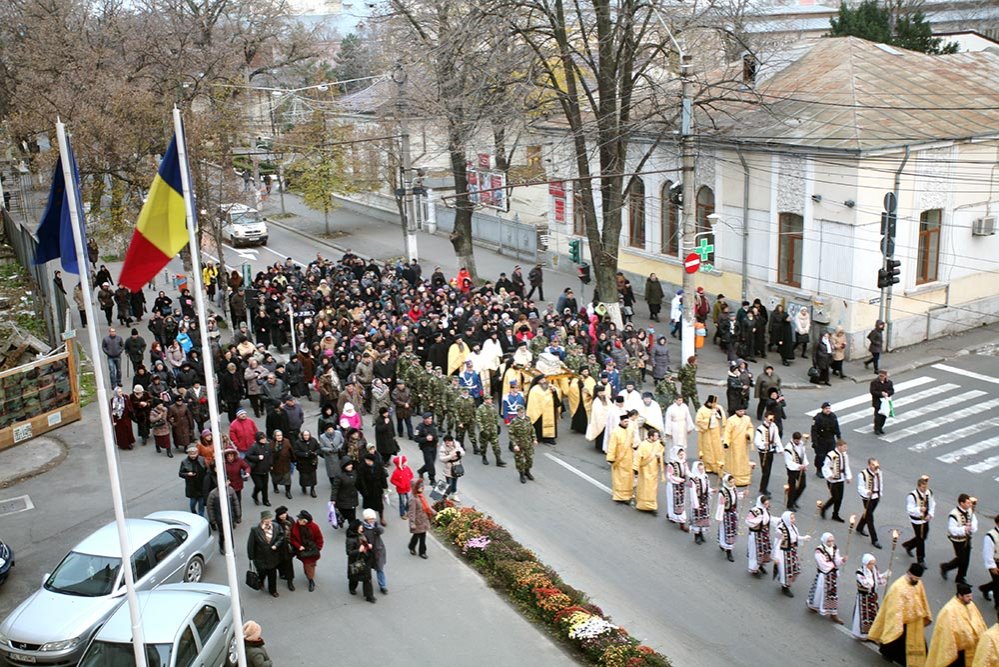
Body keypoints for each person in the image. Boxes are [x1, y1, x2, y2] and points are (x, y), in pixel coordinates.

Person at [868, 564, 933, 665]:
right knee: (894, 638)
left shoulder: (918, 583)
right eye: (914, 578)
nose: (915, 581)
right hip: (900, 620)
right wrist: (898, 622)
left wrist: (924, 612)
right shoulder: (898, 587)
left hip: (914, 620)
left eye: (917, 579)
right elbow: (894, 608)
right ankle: (887, 653)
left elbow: (922, 597)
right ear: (909, 573)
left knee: (916, 644)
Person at [926, 583, 988, 667]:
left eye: (971, 596)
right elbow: (947, 634)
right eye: (968, 596)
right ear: (960, 596)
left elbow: (979, 621)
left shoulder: (970, 604)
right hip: (957, 652)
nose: (971, 599)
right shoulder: (948, 611)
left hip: (970, 649)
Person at [807, 532, 847, 623]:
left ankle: (833, 613)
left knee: (832, 594)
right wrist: (834, 564)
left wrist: (841, 560)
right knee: (819, 592)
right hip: (823, 576)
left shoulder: (834, 548)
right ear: (824, 541)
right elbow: (823, 565)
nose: (831, 543)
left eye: (832, 541)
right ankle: (815, 606)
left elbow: (836, 559)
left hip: (832, 576)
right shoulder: (819, 551)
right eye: (829, 541)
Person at [942, 494, 979, 585]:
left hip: (967, 538)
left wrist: (972, 527)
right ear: (961, 503)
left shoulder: (970, 511)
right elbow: (952, 530)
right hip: (957, 540)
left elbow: (974, 521)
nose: (970, 504)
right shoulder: (953, 514)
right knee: (961, 559)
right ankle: (945, 567)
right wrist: (964, 529)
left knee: (966, 559)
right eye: (968, 503)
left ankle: (960, 577)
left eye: (970, 502)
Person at [852, 553, 890, 640]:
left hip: (872, 597)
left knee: (874, 614)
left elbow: (877, 579)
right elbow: (868, 584)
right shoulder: (860, 572)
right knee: (864, 616)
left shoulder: (874, 569)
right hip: (863, 598)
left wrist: (884, 575)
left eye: (873, 563)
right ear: (866, 563)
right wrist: (873, 578)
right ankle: (862, 635)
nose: (872, 566)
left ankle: (873, 634)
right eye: (870, 564)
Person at [247, 510, 284, 598]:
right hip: (260, 557)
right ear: (262, 520)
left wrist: (276, 545)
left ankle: (273, 590)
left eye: (269, 518)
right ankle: (261, 582)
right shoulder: (255, 530)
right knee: (262, 573)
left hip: (272, 557)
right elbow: (251, 544)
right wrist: (251, 557)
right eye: (266, 519)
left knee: (272, 575)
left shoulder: (276, 526)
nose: (268, 520)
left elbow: (281, 537)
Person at [902, 475, 936, 569]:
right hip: (916, 520)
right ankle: (920, 559)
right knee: (920, 539)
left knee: (924, 536)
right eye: (923, 487)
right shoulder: (912, 496)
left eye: (926, 487)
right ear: (918, 486)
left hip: (925, 519)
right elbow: (910, 509)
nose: (925, 489)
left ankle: (909, 545)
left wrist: (930, 514)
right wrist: (919, 509)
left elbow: (932, 504)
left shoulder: (929, 493)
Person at [773, 510, 808, 598]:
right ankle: (785, 587)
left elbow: (795, 537)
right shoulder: (780, 530)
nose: (793, 520)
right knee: (786, 570)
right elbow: (777, 543)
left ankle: (783, 580)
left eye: (793, 518)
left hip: (791, 551)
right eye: (791, 518)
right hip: (783, 553)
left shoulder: (793, 527)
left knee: (794, 569)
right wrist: (776, 557)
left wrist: (804, 538)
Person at [289, 509, 324, 592]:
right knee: (307, 564)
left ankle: (311, 580)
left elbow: (319, 539)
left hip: (312, 550)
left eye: (300, 519)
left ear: (305, 521)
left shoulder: (314, 527)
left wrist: (317, 548)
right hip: (302, 550)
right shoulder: (296, 526)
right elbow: (292, 538)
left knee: (308, 565)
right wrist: (298, 546)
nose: (298, 520)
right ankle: (310, 574)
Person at [820, 439, 851, 522]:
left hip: (840, 478)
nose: (846, 449)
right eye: (844, 447)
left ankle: (835, 514)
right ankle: (824, 508)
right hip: (832, 480)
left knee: (840, 498)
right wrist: (830, 475)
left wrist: (848, 477)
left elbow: (846, 466)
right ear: (839, 447)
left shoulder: (844, 455)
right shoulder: (831, 455)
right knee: (835, 497)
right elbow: (825, 466)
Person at [206, 479, 240, 555]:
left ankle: (231, 548)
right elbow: (210, 507)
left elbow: (236, 503)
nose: (229, 483)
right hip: (220, 519)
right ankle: (221, 546)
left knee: (230, 534)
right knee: (222, 534)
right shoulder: (213, 494)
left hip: (230, 517)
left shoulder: (231, 491)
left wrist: (238, 516)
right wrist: (213, 520)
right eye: (227, 481)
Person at [722, 406, 753, 487]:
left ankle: (744, 478)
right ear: (736, 411)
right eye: (740, 411)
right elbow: (727, 432)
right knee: (735, 461)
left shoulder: (747, 419)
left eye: (743, 411)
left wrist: (749, 434)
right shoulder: (731, 420)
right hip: (734, 445)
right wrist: (726, 442)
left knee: (743, 460)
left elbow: (750, 428)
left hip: (743, 444)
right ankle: (733, 479)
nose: (742, 413)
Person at [634, 429, 664, 513]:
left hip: (653, 470)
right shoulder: (643, 445)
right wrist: (635, 468)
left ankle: (652, 505)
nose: (658, 438)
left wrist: (659, 457)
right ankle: (642, 504)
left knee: (652, 489)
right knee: (644, 488)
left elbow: (661, 453)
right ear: (651, 437)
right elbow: (638, 457)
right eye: (656, 436)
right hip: (645, 470)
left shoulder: (658, 444)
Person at [346, 519, 376, 603]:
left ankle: (369, 596)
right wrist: (358, 550)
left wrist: (368, 546)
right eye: (360, 526)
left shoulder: (361, 535)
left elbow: (365, 543)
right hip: (356, 561)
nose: (362, 527)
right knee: (354, 577)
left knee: (367, 578)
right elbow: (349, 552)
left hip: (365, 559)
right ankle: (352, 588)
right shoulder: (350, 540)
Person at [857, 457, 884, 549]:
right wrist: (866, 492)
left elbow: (880, 483)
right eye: (872, 464)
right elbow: (860, 487)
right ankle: (874, 539)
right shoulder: (863, 474)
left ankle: (859, 527)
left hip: (876, 497)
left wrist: (880, 493)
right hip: (867, 498)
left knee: (869, 513)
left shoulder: (879, 472)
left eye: (876, 464)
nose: (875, 466)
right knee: (870, 518)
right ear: (869, 465)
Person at [695, 395, 726, 475]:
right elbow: (698, 421)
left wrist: (718, 412)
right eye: (714, 403)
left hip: (715, 432)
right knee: (708, 449)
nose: (715, 404)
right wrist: (709, 420)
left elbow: (722, 416)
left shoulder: (716, 407)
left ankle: (717, 465)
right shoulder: (702, 410)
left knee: (717, 448)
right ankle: (708, 466)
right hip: (707, 432)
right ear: (709, 403)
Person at [810, 401, 842, 477]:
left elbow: (836, 427)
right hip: (821, 440)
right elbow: (814, 431)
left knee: (831, 455)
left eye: (829, 408)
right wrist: (814, 442)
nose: (828, 410)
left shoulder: (833, 416)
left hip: (830, 439)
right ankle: (819, 469)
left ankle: (829, 469)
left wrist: (839, 437)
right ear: (823, 409)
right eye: (826, 408)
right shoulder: (818, 418)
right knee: (820, 456)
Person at [754, 411, 781, 498]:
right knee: (765, 471)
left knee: (768, 471)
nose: (771, 420)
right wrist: (763, 444)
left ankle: (764, 487)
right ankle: (763, 489)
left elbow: (776, 438)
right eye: (769, 419)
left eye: (772, 419)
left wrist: (780, 448)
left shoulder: (774, 426)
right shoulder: (760, 429)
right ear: (765, 418)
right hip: (763, 452)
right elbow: (757, 442)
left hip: (770, 451)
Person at [527, 376, 561, 445]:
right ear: (538, 381)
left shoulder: (550, 387)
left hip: (550, 410)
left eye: (544, 379)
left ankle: (549, 438)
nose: (544, 381)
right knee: (539, 425)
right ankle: (539, 437)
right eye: (541, 380)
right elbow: (533, 401)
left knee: (550, 424)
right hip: (539, 411)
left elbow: (555, 397)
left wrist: (554, 391)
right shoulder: (534, 389)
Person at [361, 508, 388, 594]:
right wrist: (366, 545)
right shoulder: (362, 528)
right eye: (370, 519)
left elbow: (381, 531)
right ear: (366, 519)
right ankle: (366, 586)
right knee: (367, 570)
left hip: (378, 551)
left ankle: (383, 586)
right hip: (368, 552)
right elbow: (360, 539)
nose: (372, 520)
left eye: (373, 519)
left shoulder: (375, 527)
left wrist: (376, 526)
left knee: (380, 569)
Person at [509, 404, 537, 484]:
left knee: (529, 459)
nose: (522, 413)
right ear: (517, 412)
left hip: (528, 443)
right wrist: (515, 445)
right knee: (520, 460)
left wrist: (534, 439)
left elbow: (532, 429)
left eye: (523, 412)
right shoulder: (514, 421)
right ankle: (521, 474)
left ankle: (527, 471)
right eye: (520, 412)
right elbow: (511, 434)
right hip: (519, 444)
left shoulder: (527, 419)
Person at [746, 495, 773, 577]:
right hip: (756, 534)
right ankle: (754, 569)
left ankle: (760, 565)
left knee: (763, 550)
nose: (767, 505)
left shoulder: (765, 510)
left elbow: (769, 519)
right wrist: (758, 521)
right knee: (755, 552)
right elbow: (748, 521)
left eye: (767, 503)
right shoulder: (755, 511)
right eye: (765, 504)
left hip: (763, 533)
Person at [407, 478, 435, 559]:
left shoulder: (421, 495)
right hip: (418, 521)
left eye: (422, 486)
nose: (422, 488)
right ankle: (417, 549)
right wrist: (412, 523)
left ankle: (419, 550)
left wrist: (432, 511)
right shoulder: (413, 499)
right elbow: (411, 513)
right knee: (418, 535)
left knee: (422, 535)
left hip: (424, 519)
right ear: (415, 487)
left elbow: (426, 506)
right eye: (420, 486)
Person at [179, 445, 208, 516]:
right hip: (192, 487)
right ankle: (194, 513)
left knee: (201, 505)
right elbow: (180, 473)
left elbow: (207, 470)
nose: (193, 456)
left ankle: (201, 517)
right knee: (192, 504)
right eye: (191, 454)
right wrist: (187, 474)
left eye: (194, 453)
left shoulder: (202, 459)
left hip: (201, 485)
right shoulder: (184, 462)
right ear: (188, 454)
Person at [783, 431, 809, 510]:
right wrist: (799, 466)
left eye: (799, 440)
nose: (798, 442)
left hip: (800, 468)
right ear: (793, 439)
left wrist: (805, 465)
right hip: (792, 470)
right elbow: (789, 462)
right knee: (792, 487)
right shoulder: (788, 448)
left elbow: (803, 455)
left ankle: (794, 500)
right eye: (796, 440)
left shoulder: (801, 445)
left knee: (802, 485)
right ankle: (789, 504)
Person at [330, 457, 360, 525]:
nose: (350, 466)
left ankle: (352, 530)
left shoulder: (355, 472)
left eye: (351, 464)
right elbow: (335, 488)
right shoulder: (339, 476)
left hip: (352, 499)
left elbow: (358, 483)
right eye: (348, 465)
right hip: (343, 500)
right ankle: (341, 519)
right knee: (344, 514)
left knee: (352, 517)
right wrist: (333, 499)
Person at [273, 506, 296, 591]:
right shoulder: (274, 523)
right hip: (279, 547)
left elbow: (295, 531)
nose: (283, 516)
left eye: (284, 513)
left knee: (289, 564)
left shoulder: (290, 520)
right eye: (281, 514)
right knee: (279, 562)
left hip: (288, 546)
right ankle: (282, 573)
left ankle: (290, 581)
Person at [665, 446, 688, 530]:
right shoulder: (672, 465)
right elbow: (669, 476)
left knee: (681, 503)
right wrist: (679, 479)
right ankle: (678, 519)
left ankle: (678, 518)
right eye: (680, 455)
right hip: (673, 486)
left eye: (682, 454)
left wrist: (694, 477)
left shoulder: (684, 463)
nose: (682, 456)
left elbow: (687, 471)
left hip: (681, 486)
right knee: (673, 502)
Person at [716, 473, 738, 562]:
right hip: (726, 514)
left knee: (731, 531)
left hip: (733, 513)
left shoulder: (734, 489)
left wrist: (742, 494)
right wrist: (719, 517)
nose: (732, 484)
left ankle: (723, 544)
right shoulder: (723, 493)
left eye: (733, 482)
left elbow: (735, 497)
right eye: (730, 482)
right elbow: (721, 505)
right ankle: (729, 551)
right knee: (727, 531)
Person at [246, 433, 273, 507]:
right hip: (256, 470)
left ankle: (265, 500)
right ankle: (254, 495)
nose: (264, 440)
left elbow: (270, 455)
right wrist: (257, 457)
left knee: (265, 486)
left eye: (264, 438)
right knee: (259, 485)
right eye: (262, 438)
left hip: (265, 470)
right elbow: (248, 455)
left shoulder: (267, 446)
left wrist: (270, 464)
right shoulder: (254, 447)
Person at [293, 429, 320, 498]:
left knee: (313, 477)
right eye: (305, 435)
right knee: (303, 477)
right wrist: (305, 454)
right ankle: (303, 486)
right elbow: (296, 452)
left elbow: (318, 448)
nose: (306, 436)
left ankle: (312, 490)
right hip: (302, 463)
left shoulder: (313, 440)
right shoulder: (298, 442)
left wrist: (315, 453)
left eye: (307, 435)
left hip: (312, 462)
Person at [439, 433, 465, 500]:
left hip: (456, 466)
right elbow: (441, 459)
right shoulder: (443, 448)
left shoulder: (457, 445)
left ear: (452, 441)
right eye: (446, 442)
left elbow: (463, 452)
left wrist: (459, 453)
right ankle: (445, 496)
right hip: (448, 468)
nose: (447, 444)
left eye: (449, 442)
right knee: (449, 483)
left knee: (454, 481)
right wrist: (450, 456)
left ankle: (454, 494)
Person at [415, 412, 439, 485]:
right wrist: (425, 439)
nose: (430, 420)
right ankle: (432, 479)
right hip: (426, 447)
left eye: (431, 418)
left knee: (431, 463)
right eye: (429, 419)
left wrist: (436, 441)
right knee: (430, 464)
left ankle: (421, 471)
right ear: (425, 419)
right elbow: (416, 438)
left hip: (434, 446)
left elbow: (435, 434)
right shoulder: (419, 427)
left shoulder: (433, 424)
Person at [981, 514, 999, 611]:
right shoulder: (991, 536)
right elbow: (987, 552)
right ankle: (997, 604)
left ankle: (985, 588)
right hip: (995, 562)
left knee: (997, 582)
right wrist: (992, 566)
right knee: (998, 584)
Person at [871, 369, 895, 436]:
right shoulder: (874, 382)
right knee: (878, 417)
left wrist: (887, 393)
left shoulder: (889, 382)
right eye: (880, 376)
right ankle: (876, 428)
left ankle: (880, 427)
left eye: (883, 376)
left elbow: (892, 391)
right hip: (878, 402)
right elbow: (873, 391)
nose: (881, 377)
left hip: (886, 402)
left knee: (884, 416)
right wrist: (881, 394)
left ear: (885, 376)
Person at [390, 455, 414, 519]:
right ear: (400, 464)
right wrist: (400, 485)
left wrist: (410, 480)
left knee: (409, 500)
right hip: (401, 490)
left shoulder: (407, 468)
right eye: (405, 462)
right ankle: (402, 514)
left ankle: (407, 509)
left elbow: (411, 474)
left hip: (408, 488)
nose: (406, 463)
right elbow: (392, 480)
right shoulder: (396, 472)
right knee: (402, 502)